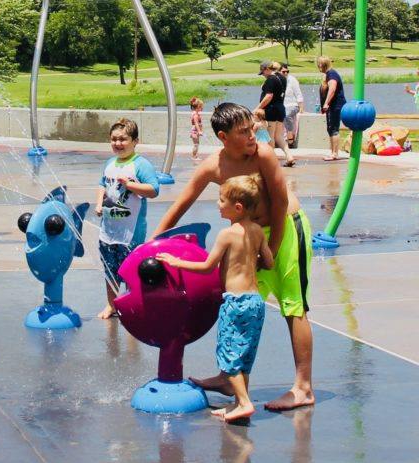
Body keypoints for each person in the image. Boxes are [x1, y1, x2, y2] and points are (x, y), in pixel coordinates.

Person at [153, 103, 315, 411]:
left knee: (293, 305)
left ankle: (303, 387)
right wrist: (153, 242)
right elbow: (181, 204)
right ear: (223, 137)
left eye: (252, 127)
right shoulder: (213, 167)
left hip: (287, 229)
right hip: (252, 237)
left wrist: (273, 251)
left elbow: (279, 203)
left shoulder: (263, 154)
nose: (253, 135)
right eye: (244, 131)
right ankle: (232, 378)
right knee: (238, 302)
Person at [157, 175, 274, 422]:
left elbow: (208, 267)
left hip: (236, 302)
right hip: (255, 301)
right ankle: (238, 402)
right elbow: (270, 262)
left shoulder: (227, 234)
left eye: (222, 201)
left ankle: (243, 402)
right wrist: (250, 260)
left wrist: (176, 262)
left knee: (230, 352)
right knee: (244, 354)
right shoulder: (256, 232)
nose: (218, 204)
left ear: (238, 208)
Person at [94, 118, 160, 321]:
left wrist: (131, 186)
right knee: (110, 270)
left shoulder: (140, 165)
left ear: (135, 141)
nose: (118, 143)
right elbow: (102, 184)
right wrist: (98, 203)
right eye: (114, 139)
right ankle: (111, 305)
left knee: (131, 271)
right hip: (108, 229)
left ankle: (133, 305)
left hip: (131, 232)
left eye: (123, 139)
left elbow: (153, 190)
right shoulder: (110, 163)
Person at [255, 61, 295, 166]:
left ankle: (271, 161)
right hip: (281, 109)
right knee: (279, 136)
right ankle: (289, 156)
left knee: (270, 136)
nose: (262, 75)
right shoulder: (282, 78)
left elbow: (269, 96)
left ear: (267, 69)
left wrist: (257, 108)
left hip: (271, 110)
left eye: (263, 72)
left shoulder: (270, 80)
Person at [317, 55, 347, 161]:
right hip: (332, 106)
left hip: (335, 105)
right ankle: (332, 152)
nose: (318, 66)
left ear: (323, 65)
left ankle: (335, 153)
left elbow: (332, 89)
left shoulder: (331, 74)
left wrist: (326, 103)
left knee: (334, 128)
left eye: (319, 64)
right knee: (330, 128)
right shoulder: (329, 74)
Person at [280, 63, 303, 149]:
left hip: (292, 105)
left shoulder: (292, 80)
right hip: (282, 105)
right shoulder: (277, 80)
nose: (285, 73)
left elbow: (298, 94)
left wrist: (301, 107)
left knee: (286, 114)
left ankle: (290, 136)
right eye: (283, 72)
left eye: (287, 71)